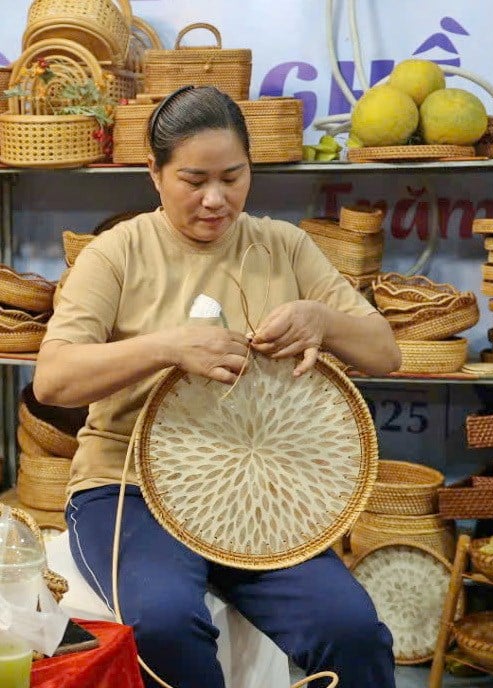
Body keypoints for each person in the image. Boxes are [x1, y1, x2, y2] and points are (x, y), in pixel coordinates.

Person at [33, 85, 401, 688]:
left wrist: (323, 320)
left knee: (351, 626)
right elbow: (54, 379)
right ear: (153, 173)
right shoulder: (116, 254)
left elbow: (385, 352)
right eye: (193, 179)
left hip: (255, 492)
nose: (214, 199)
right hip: (125, 490)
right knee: (165, 622)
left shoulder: (282, 246)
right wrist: (167, 346)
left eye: (233, 177)